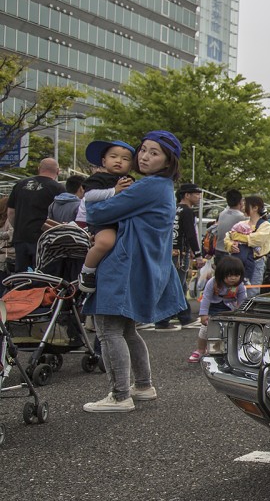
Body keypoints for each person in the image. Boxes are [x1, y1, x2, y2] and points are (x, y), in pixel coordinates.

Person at [81, 130, 188, 413]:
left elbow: (96, 214)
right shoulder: (160, 186)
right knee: (128, 330)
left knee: (107, 329)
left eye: (154, 153)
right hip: (142, 265)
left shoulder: (148, 186)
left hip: (126, 265)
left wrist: (102, 207)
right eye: (143, 149)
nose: (144, 156)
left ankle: (119, 395)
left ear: (168, 161)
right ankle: (142, 385)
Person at [77, 140, 137, 292]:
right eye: (114, 156)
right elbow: (90, 196)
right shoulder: (98, 178)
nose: (119, 161)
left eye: (125, 159)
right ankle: (87, 271)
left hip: (125, 223)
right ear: (104, 161)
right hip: (105, 223)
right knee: (105, 242)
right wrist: (114, 191)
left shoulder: (131, 181)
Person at [153, 182, 203, 331]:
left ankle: (185, 317)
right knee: (176, 285)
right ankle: (162, 320)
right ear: (186, 195)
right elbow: (190, 234)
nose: (199, 197)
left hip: (168, 251)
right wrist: (198, 254)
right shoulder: (187, 211)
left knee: (179, 285)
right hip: (180, 254)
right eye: (196, 194)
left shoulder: (173, 209)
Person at [8, 158, 63, 272]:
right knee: (42, 275)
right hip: (44, 239)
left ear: (39, 169)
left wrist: (18, 227)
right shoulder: (58, 188)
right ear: (57, 171)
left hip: (21, 237)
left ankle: (21, 289)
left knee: (21, 276)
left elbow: (11, 212)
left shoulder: (19, 184)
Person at [190, 254, 247, 363]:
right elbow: (206, 298)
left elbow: (242, 301)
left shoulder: (240, 286)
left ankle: (223, 352)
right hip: (213, 308)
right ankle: (200, 350)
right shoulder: (213, 282)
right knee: (205, 330)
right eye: (229, 275)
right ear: (221, 274)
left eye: (236, 275)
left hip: (230, 310)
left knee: (229, 331)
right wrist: (203, 315)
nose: (233, 278)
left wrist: (242, 314)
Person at [223, 195, 270, 287]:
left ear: (255, 208)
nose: (242, 207)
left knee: (252, 290)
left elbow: (257, 239)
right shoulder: (242, 223)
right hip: (238, 262)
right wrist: (230, 245)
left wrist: (237, 236)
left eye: (245, 205)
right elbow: (228, 237)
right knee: (235, 290)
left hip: (256, 262)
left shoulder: (266, 225)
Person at [212, 189, 246, 260]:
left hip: (218, 249)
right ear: (240, 202)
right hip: (230, 252)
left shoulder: (222, 214)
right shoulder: (241, 216)